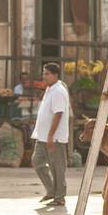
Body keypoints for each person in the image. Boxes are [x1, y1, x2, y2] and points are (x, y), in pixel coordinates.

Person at [31, 61, 70, 206]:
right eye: (43, 73)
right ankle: (51, 190)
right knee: (37, 161)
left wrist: (51, 135)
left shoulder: (59, 91)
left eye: (47, 74)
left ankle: (60, 196)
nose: (44, 76)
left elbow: (58, 114)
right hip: (41, 136)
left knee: (57, 166)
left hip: (54, 137)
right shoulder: (50, 89)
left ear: (55, 75)